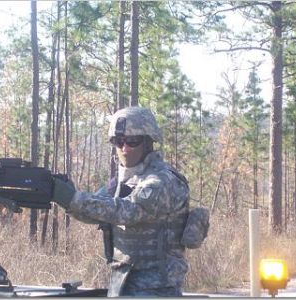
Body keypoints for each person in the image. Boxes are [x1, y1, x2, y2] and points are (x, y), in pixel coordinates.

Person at [52, 106, 200, 297]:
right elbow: (96, 212)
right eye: (118, 141)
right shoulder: (124, 181)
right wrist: (63, 197)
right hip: (122, 284)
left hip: (156, 288)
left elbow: (129, 211)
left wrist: (74, 198)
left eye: (132, 141)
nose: (124, 148)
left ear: (148, 142)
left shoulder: (163, 180)